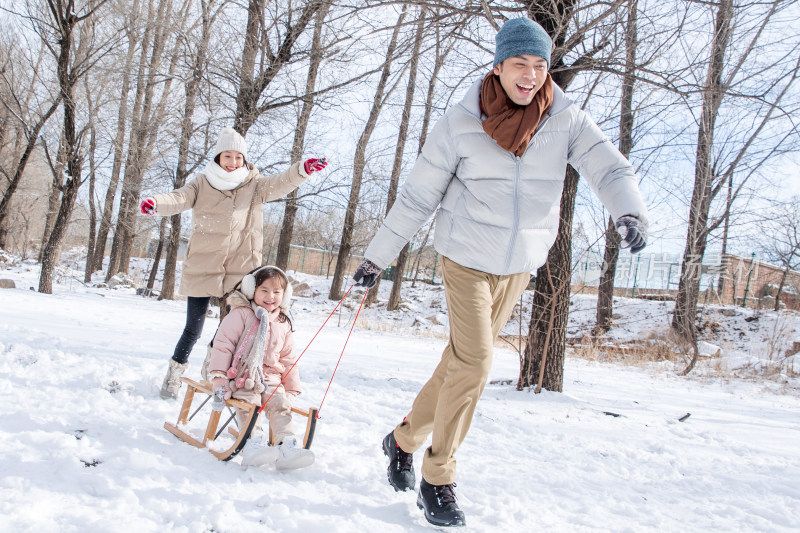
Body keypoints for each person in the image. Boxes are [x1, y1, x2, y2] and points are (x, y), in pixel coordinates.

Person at [352, 17, 649, 528]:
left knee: (459, 365)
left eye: (540, 65)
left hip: (517, 266)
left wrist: (629, 211)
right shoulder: (460, 123)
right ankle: (437, 478)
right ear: (498, 65)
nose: (531, 76)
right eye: (520, 65)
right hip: (465, 258)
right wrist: (377, 257)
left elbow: (608, 167)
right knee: (477, 363)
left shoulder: (565, 119)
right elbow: (418, 197)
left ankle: (400, 440)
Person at [140, 127, 327, 400]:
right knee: (193, 328)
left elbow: (281, 182)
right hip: (204, 265)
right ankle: (174, 375)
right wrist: (156, 202)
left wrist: (302, 170)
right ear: (218, 157)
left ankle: (210, 372)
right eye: (228, 156)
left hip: (241, 270)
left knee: (228, 328)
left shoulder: (254, 185)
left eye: (238, 157)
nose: (233, 162)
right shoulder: (202, 183)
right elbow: (179, 198)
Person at [206, 265, 314, 470]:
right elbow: (223, 343)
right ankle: (253, 442)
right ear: (251, 290)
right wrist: (219, 376)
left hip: (271, 378)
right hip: (242, 374)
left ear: (285, 295)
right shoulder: (241, 314)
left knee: (280, 404)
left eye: (276, 292)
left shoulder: (283, 322)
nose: (270, 296)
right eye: (264, 290)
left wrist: (291, 387)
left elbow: (289, 358)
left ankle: (287, 445)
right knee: (250, 403)